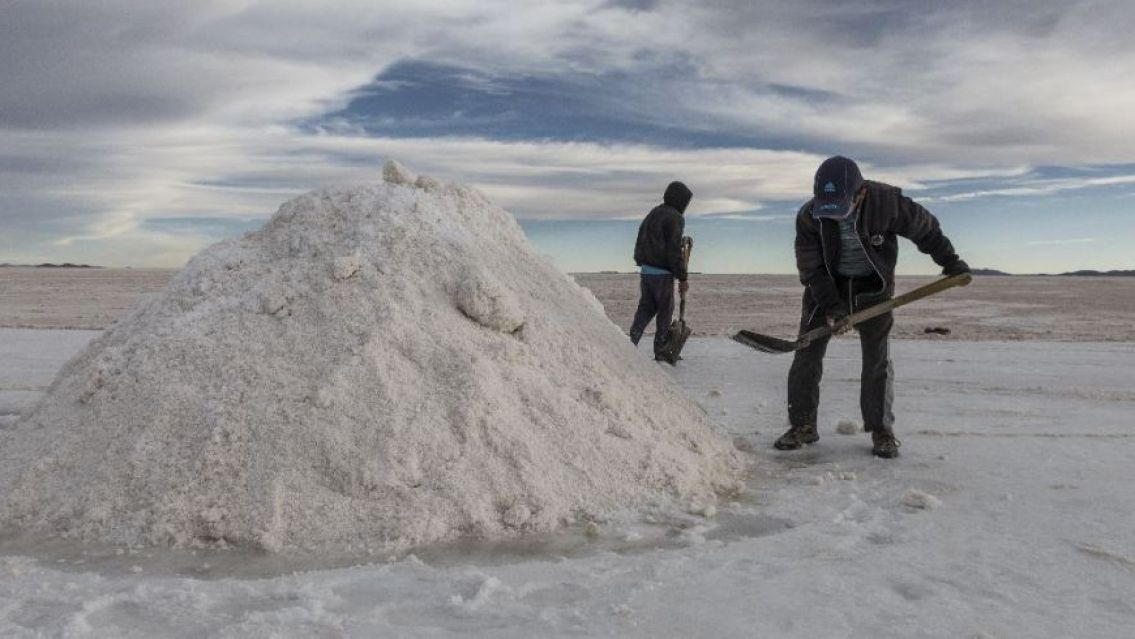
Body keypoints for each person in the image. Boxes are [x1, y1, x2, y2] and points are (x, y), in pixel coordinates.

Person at [775, 156, 970, 458]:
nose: (835, 216)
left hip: (874, 290)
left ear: (861, 192)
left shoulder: (887, 203)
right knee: (806, 355)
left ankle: (881, 430)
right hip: (826, 289)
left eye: (842, 207)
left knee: (877, 361)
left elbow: (926, 229)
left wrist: (950, 261)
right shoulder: (809, 216)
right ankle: (803, 425)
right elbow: (811, 268)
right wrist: (832, 306)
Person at [630, 181, 692, 361]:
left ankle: (631, 341)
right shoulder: (675, 217)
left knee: (646, 307)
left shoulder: (654, 212)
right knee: (665, 310)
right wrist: (682, 276)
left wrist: (641, 261)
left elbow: (641, 238)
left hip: (646, 271)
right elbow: (673, 250)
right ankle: (661, 350)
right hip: (662, 273)